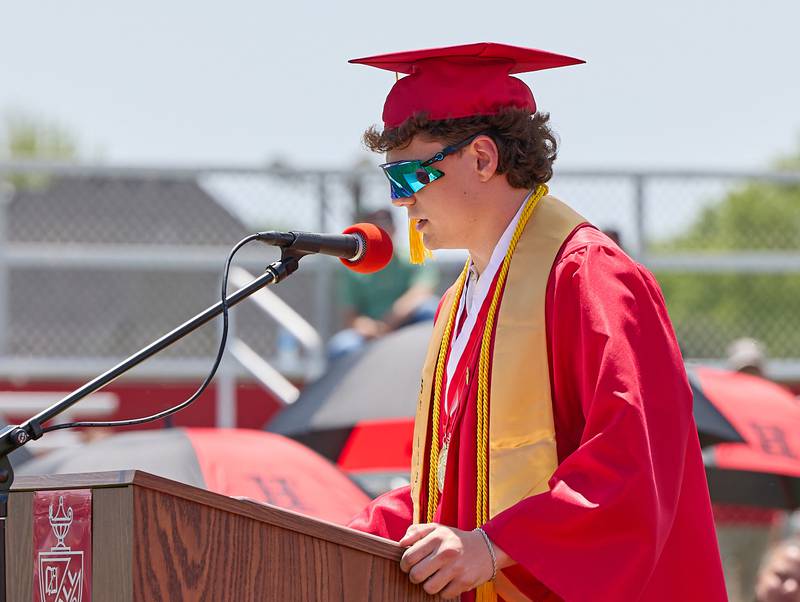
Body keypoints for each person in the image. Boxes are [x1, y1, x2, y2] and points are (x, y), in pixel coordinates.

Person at [346, 42, 726, 601]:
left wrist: (495, 546)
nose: (400, 202)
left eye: (408, 176)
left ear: (481, 157)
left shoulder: (588, 277)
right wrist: (355, 533)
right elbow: (461, 490)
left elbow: (634, 460)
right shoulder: (463, 301)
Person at [327, 208, 439, 359]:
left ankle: (434, 373)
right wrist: (365, 326)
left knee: (430, 309)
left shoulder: (415, 258)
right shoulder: (353, 269)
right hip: (371, 332)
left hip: (405, 325)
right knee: (341, 346)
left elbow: (422, 292)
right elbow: (351, 314)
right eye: (375, 228)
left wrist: (390, 320)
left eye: (386, 226)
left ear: (395, 229)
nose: (382, 232)